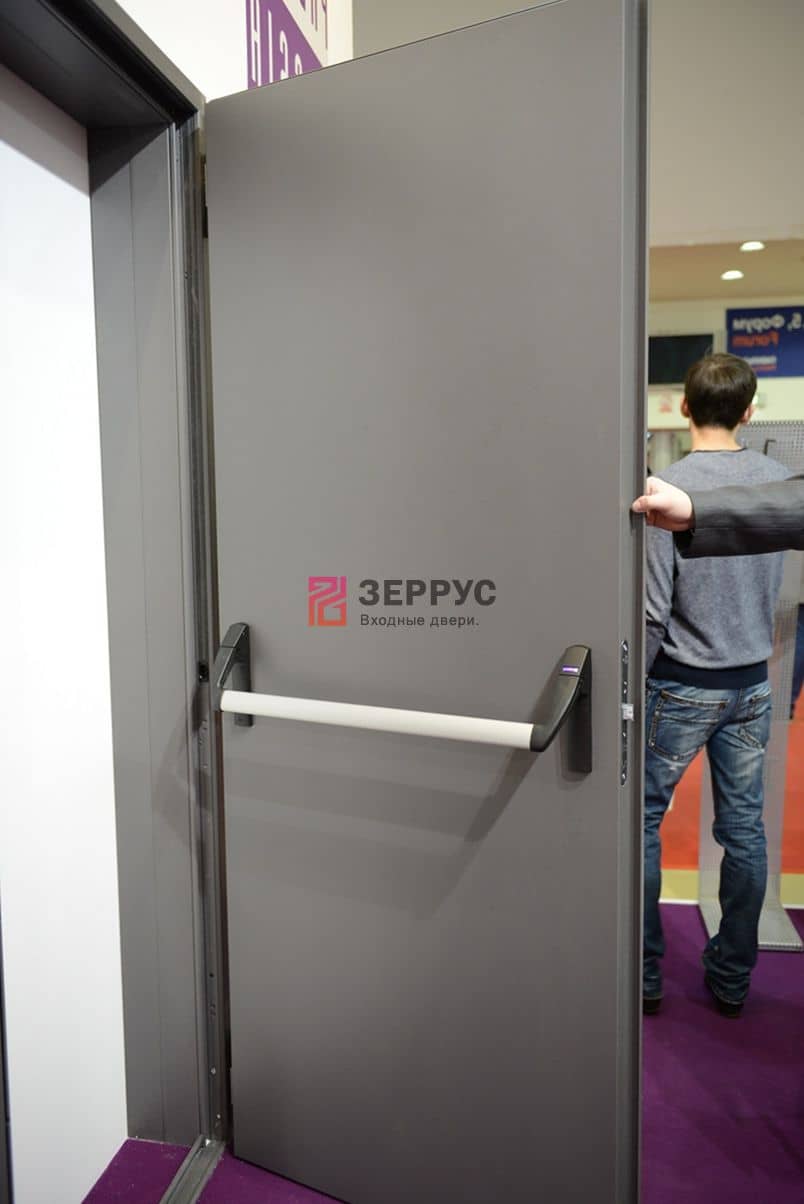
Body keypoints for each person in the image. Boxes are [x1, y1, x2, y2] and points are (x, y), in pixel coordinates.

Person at [642, 353, 790, 1019]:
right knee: (745, 832)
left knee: (642, 824)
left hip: (680, 684)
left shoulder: (666, 487)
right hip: (753, 684)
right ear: (749, 411)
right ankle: (732, 979)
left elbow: (653, 609)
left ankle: (644, 973)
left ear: (683, 407)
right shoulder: (778, 485)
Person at [632, 474, 804, 556]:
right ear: (747, 415)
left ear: (686, 413)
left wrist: (695, 509)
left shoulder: (666, 482)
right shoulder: (778, 471)